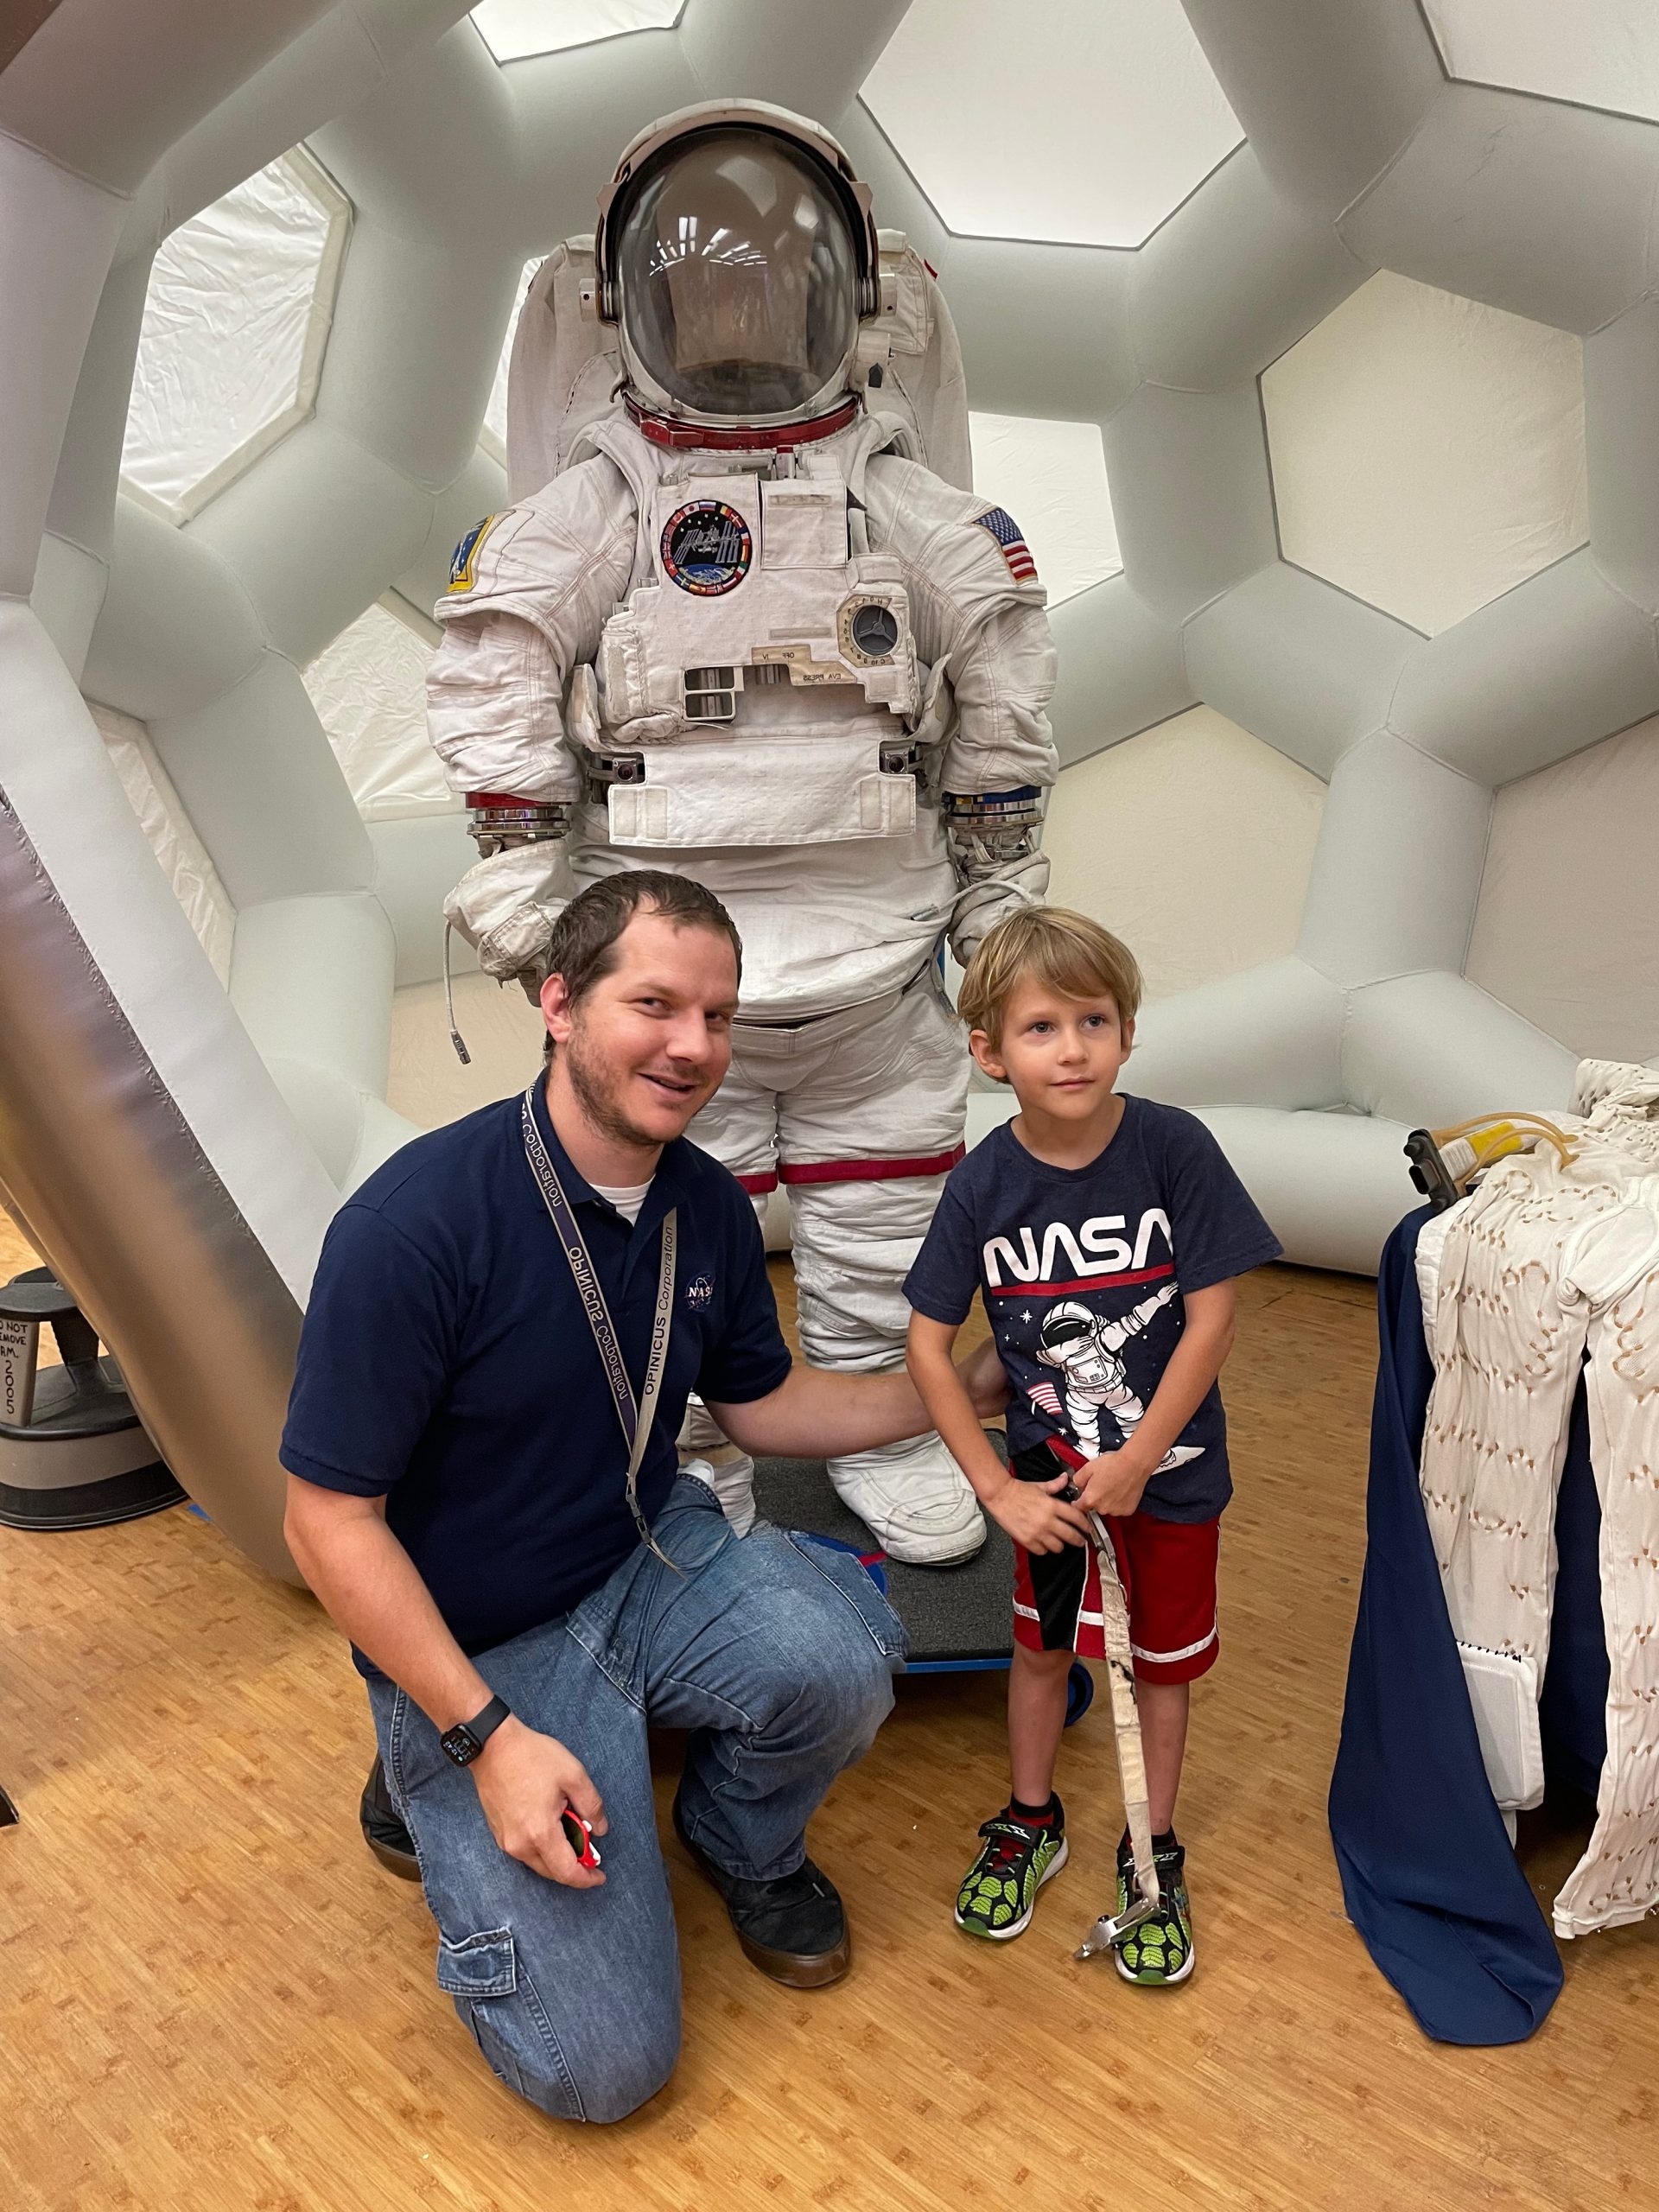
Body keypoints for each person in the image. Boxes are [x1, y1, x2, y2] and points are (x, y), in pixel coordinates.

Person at [429, 99, 1058, 1565]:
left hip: (881, 956)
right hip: (665, 974)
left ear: (850, 297)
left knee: (884, 1232)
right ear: (627, 302)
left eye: (771, 283)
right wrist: (525, 875)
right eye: (701, 282)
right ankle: (686, 1453)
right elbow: (496, 654)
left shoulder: (910, 508)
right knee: (651, 1250)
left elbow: (1005, 675)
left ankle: (891, 1439)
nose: (737, 317)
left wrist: (1000, 891)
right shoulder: (598, 506)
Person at [280, 872, 1007, 2122]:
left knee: (846, 1653)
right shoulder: (414, 1227)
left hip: (642, 1560)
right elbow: (323, 1521)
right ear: (559, 1004)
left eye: (718, 1017)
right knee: (599, 2071)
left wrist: (965, 1394)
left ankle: (734, 1836)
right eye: (655, 1004)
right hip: (486, 1650)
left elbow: (761, 1410)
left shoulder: (705, 1207)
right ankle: (429, 1766)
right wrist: (488, 1742)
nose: (694, 1048)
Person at [903, 907, 1281, 1985]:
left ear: (1126, 1030)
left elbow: (1211, 1318)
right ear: (988, 1051)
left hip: (1170, 1483)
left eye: (1093, 1019)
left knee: (1160, 1670)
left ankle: (1150, 1844)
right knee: (1040, 1652)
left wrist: (1136, 1459)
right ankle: (1032, 1817)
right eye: (1040, 1027)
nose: (1071, 1047)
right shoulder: (983, 1183)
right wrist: (995, 1490)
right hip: (1046, 1492)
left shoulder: (1172, 1148)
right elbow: (930, 1348)